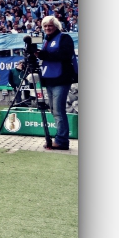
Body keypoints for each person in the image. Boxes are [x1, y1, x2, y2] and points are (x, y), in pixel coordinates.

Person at [36, 15, 76, 151]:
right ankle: (59, 137)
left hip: (62, 78)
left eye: (50, 26)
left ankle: (62, 141)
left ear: (56, 26)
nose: (47, 28)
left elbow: (64, 55)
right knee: (54, 110)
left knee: (58, 110)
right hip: (50, 79)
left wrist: (42, 55)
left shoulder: (65, 38)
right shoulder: (46, 41)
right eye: (45, 26)